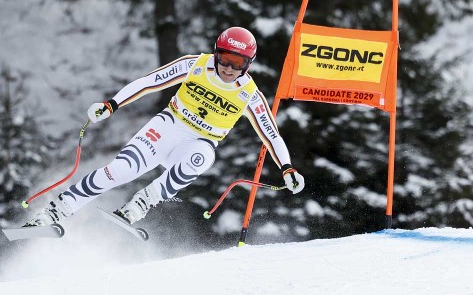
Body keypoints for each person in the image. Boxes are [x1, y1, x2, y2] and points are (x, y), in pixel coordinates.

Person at [25, 27, 305, 227]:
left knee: (203, 157)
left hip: (198, 142)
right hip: (168, 127)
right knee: (121, 170)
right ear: (216, 53)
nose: (229, 68)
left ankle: (141, 204)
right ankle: (56, 210)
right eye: (225, 59)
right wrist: (112, 104)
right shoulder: (196, 65)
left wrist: (287, 167)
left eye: (239, 63)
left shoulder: (249, 93)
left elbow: (270, 134)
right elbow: (149, 81)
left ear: (248, 64)